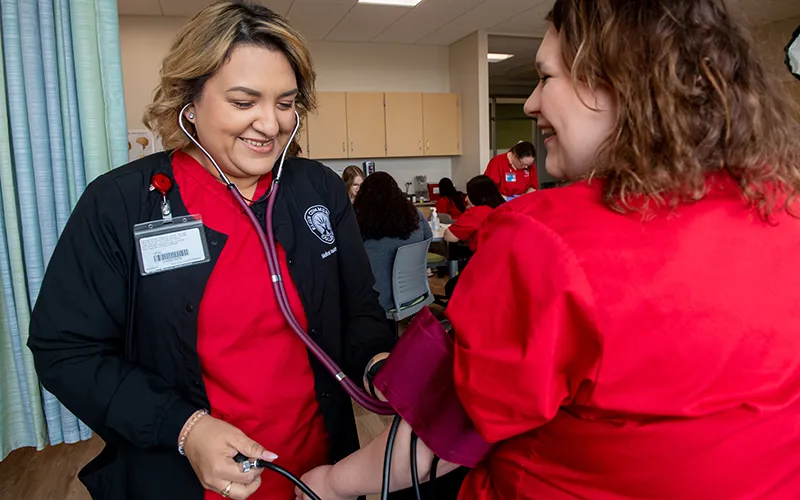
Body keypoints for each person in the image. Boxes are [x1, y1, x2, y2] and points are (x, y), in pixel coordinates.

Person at [295, 0, 800, 498]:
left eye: (545, 78)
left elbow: (446, 434)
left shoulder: (544, 240)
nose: (531, 103)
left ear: (616, 81)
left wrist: (331, 482)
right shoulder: (784, 209)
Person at [27, 2, 396, 500]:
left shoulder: (319, 191)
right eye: (244, 102)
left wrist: (377, 365)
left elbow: (360, 307)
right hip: (184, 474)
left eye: (286, 103)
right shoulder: (120, 203)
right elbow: (66, 349)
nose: (271, 124)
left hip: (317, 475)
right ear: (190, 101)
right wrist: (184, 428)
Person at [354, 172, 432, 311]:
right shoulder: (415, 216)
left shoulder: (358, 223)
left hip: (377, 300)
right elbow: (428, 237)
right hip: (416, 293)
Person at [443, 175, 504, 252]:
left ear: (477, 196)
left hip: (484, 259)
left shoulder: (476, 212)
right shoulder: (505, 208)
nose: (466, 199)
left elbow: (449, 237)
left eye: (468, 195)